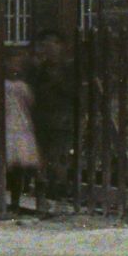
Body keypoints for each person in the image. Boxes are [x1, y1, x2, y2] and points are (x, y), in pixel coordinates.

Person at [30, 32, 76, 214]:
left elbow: (74, 94)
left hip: (62, 122)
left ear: (61, 47)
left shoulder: (68, 71)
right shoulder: (39, 71)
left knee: (60, 161)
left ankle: (61, 200)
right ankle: (41, 201)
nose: (50, 50)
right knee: (41, 162)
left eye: (54, 45)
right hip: (42, 122)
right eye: (46, 46)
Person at [4, 48, 41, 215]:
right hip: (8, 126)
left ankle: (16, 201)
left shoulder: (23, 87)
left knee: (19, 166)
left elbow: (31, 104)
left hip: (20, 127)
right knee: (9, 165)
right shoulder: (3, 85)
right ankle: (10, 200)